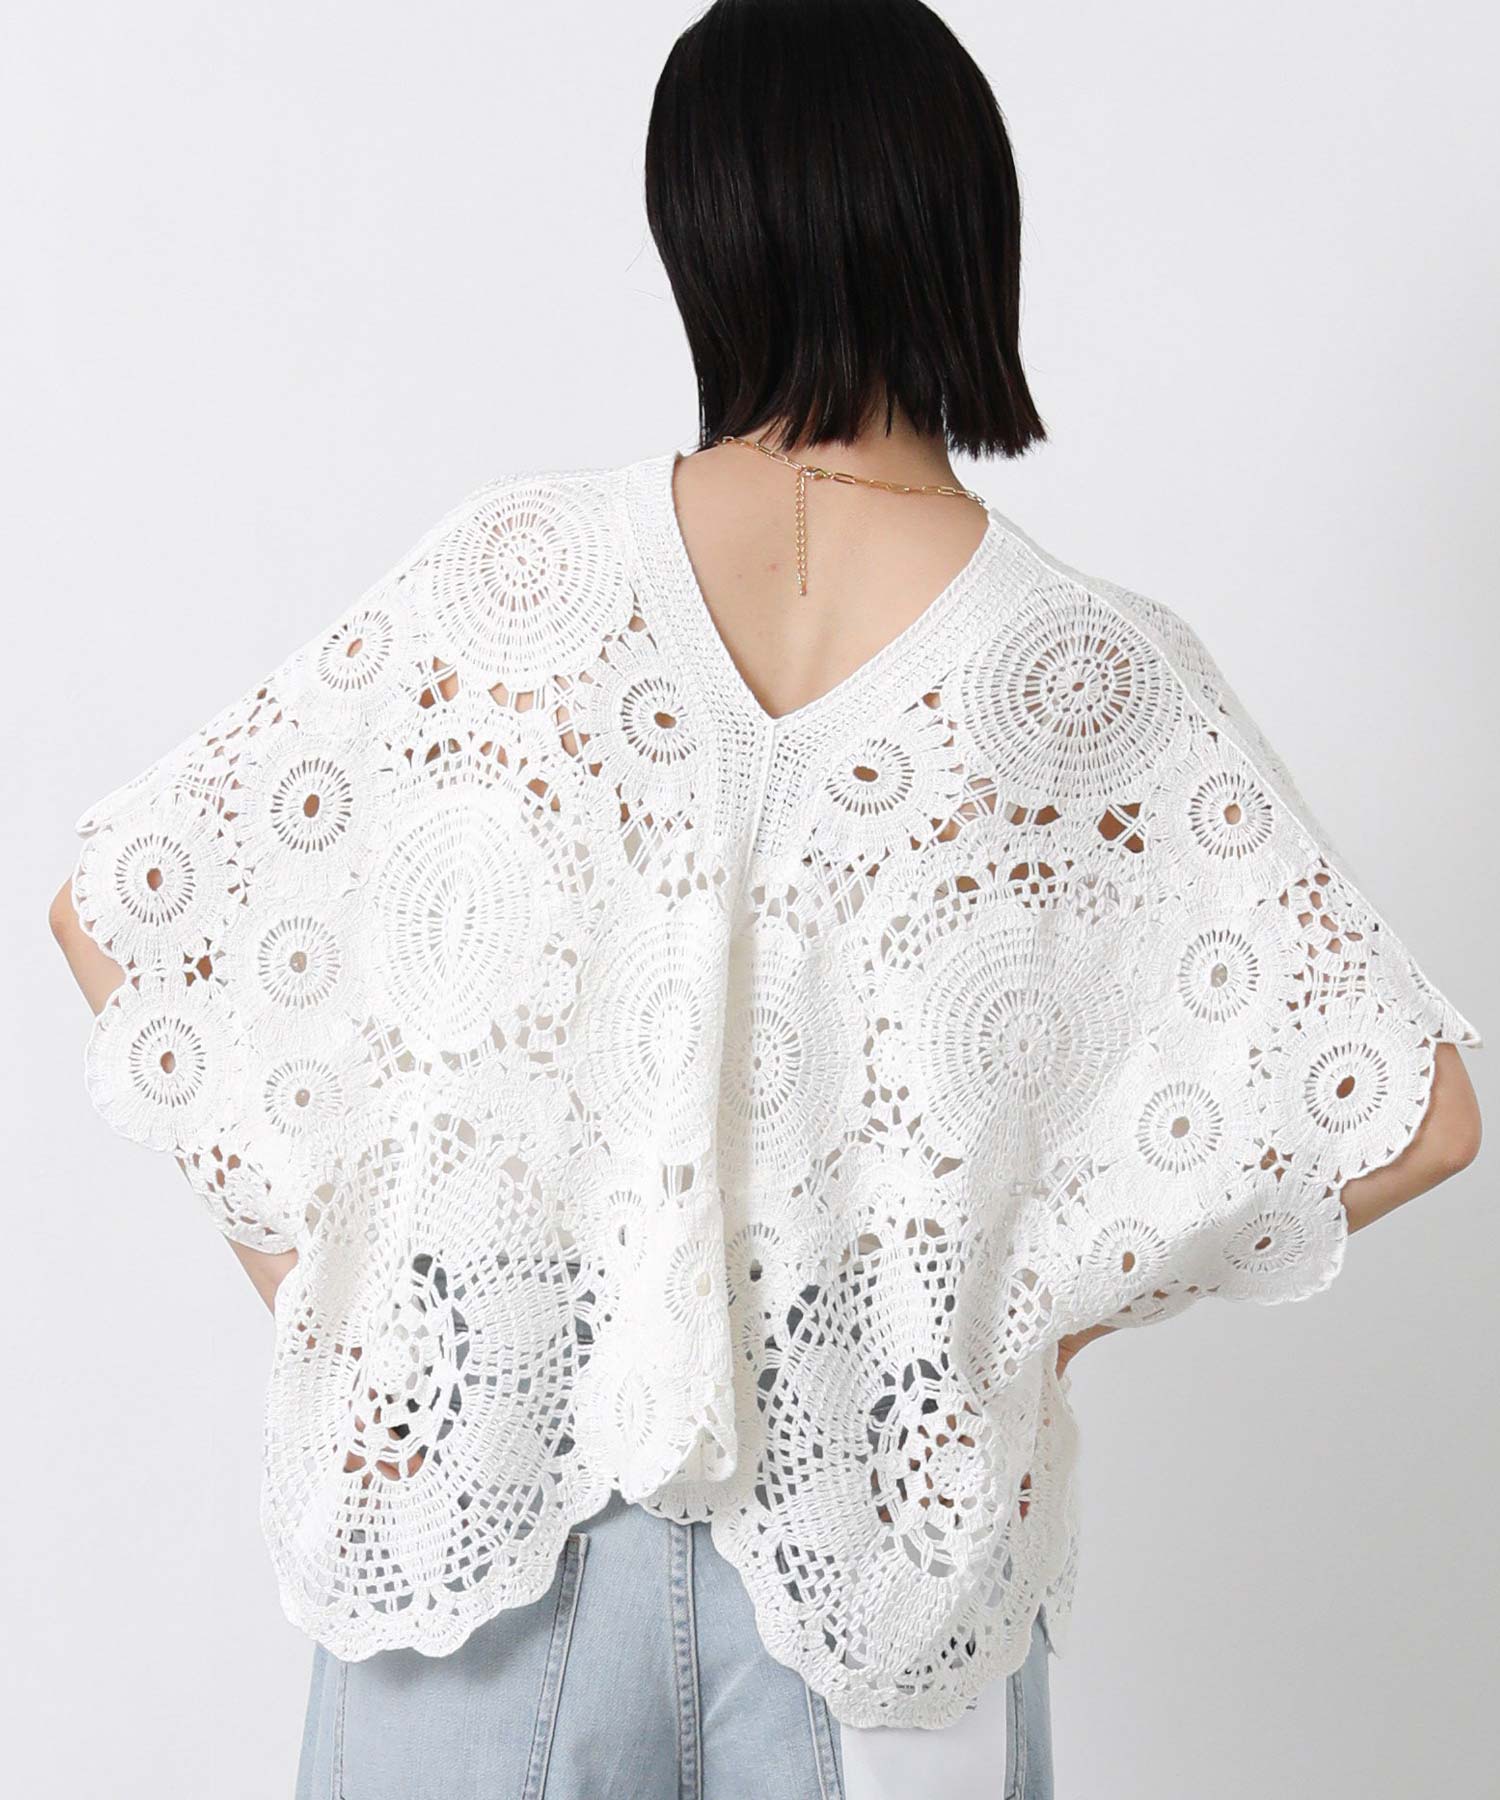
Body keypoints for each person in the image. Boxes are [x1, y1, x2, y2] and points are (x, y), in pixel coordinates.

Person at [49, 2, 1482, 1796]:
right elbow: (1414, 1111)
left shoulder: (520, 581)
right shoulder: (1085, 670)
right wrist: (1015, 1317)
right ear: (967, 225)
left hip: (487, 1535)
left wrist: (351, 1311)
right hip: (883, 1558)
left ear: (704, 234)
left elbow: (122, 915)